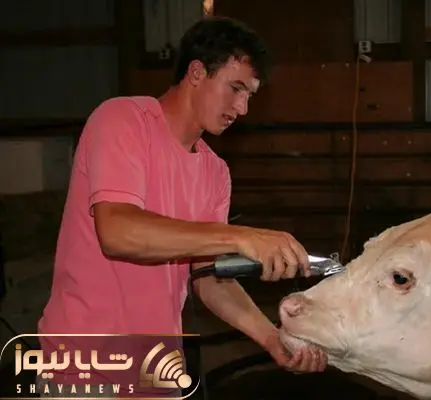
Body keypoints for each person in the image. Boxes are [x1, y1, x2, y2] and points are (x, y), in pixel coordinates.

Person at [35, 16, 327, 397]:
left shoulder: (215, 173)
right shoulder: (123, 121)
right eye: (235, 88)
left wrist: (272, 338)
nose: (242, 108)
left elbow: (209, 279)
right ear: (196, 72)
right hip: (83, 376)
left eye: (250, 95)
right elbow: (117, 232)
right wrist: (241, 237)